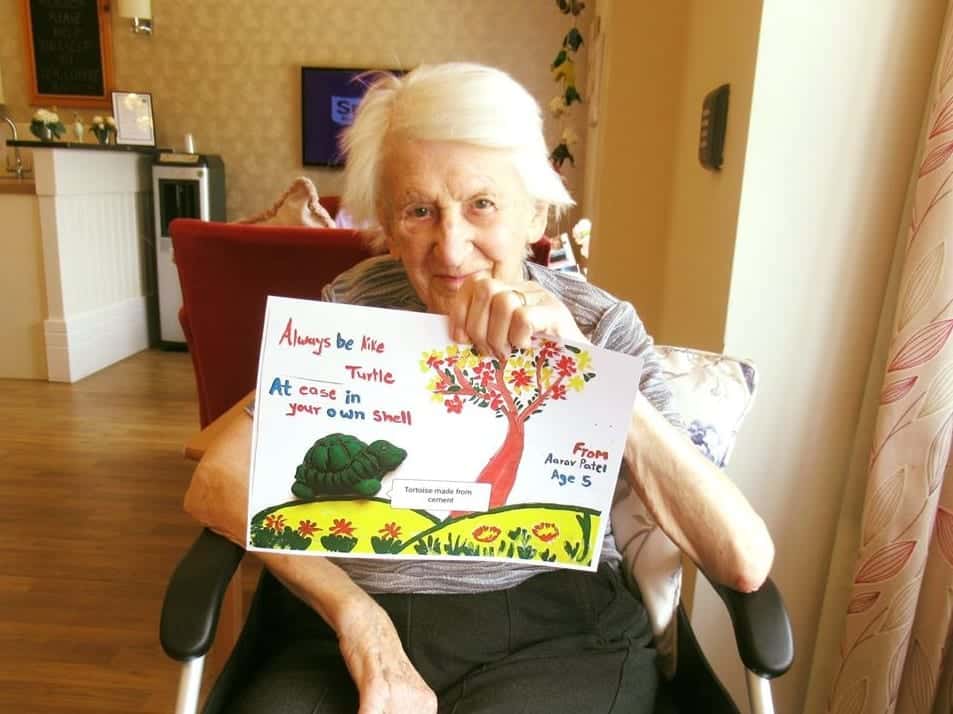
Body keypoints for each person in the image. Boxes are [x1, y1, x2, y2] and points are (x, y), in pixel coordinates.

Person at [206, 62, 774, 714]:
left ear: (536, 213)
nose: (451, 250)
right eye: (420, 211)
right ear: (387, 223)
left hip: (553, 631)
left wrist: (583, 367)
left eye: (481, 204)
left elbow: (742, 558)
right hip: (348, 622)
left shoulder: (598, 325)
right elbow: (217, 479)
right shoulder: (354, 304)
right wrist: (358, 620)